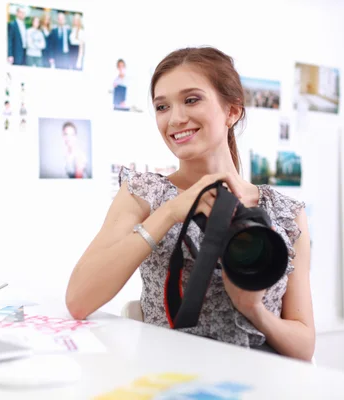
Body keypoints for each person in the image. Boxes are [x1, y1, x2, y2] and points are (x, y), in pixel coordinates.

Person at [65, 47, 315, 361]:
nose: (175, 118)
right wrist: (170, 212)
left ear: (232, 111)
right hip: (171, 378)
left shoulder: (286, 212)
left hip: (261, 381)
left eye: (191, 99)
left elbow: (305, 347)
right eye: (162, 106)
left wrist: (253, 309)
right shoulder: (145, 193)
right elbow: (78, 299)